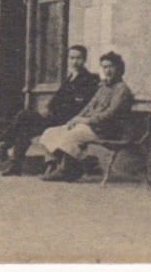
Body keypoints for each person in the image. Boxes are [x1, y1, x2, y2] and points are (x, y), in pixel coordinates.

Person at [0, 44, 100, 176]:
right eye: (72, 58)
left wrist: (52, 112)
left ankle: (3, 147)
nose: (75, 61)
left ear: (85, 59)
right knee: (25, 129)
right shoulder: (70, 77)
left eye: (78, 58)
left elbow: (79, 105)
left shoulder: (90, 79)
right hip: (54, 117)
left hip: (68, 120)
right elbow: (57, 99)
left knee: (23, 115)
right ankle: (15, 166)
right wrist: (48, 109)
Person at [37, 51, 135, 182]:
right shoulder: (103, 87)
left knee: (70, 136)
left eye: (111, 66)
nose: (107, 70)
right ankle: (83, 162)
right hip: (92, 126)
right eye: (104, 67)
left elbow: (109, 115)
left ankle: (66, 170)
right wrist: (74, 119)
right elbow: (88, 107)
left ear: (119, 68)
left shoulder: (122, 90)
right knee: (50, 133)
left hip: (107, 130)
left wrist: (84, 120)